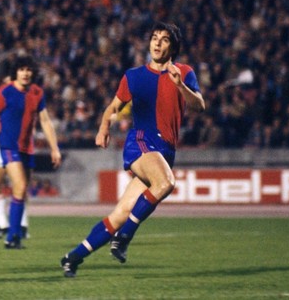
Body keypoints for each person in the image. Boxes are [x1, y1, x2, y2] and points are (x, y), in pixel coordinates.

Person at [60, 21, 205, 277]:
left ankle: (73, 257)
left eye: (164, 39)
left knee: (120, 214)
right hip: (140, 141)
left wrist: (181, 85)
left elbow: (199, 106)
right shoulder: (134, 76)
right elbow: (113, 107)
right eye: (154, 38)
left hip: (165, 151)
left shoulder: (184, 72)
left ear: (173, 47)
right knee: (166, 183)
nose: (157, 43)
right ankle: (125, 237)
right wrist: (103, 127)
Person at [0, 55, 63, 249]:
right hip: (8, 146)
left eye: (29, 70)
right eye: (22, 69)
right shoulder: (5, 92)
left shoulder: (37, 92)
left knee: (21, 191)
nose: (25, 73)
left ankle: (15, 232)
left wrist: (54, 148)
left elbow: (45, 121)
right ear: (15, 72)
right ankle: (12, 235)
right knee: (21, 185)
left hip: (27, 148)